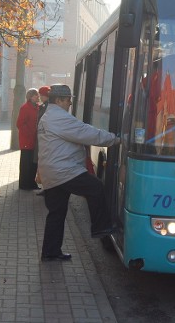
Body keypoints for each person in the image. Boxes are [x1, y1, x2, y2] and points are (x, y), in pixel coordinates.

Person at [37, 84, 120, 262]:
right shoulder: (59, 117)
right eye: (68, 100)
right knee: (95, 187)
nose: (69, 104)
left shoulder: (48, 115)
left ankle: (50, 252)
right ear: (58, 100)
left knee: (56, 214)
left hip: (51, 172)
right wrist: (115, 139)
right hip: (64, 170)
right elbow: (85, 133)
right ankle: (101, 228)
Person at [17, 88, 40, 190]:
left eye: (38, 95)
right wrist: (30, 133)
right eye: (36, 95)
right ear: (30, 97)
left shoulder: (38, 107)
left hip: (35, 140)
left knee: (33, 163)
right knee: (26, 163)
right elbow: (20, 124)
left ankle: (31, 183)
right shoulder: (25, 108)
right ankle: (24, 184)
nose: (38, 97)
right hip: (27, 140)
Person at [34, 85, 51, 188]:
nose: (39, 97)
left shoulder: (47, 106)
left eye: (41, 95)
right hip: (42, 138)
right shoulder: (44, 105)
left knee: (44, 164)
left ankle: (47, 188)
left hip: (44, 139)